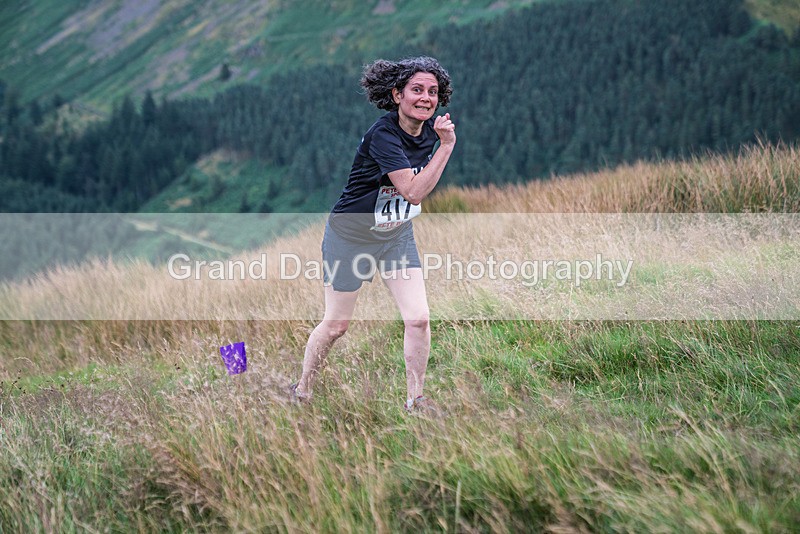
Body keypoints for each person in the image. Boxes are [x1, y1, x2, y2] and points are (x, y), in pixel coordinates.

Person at [290, 56, 456, 411]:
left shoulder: (430, 131)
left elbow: (409, 196)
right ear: (397, 95)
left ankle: (416, 400)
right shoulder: (384, 134)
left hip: (395, 235)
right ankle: (302, 390)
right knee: (336, 325)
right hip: (349, 236)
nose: (426, 98)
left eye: (432, 91)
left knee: (418, 318)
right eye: (416, 90)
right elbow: (412, 191)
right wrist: (446, 147)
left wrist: (439, 143)